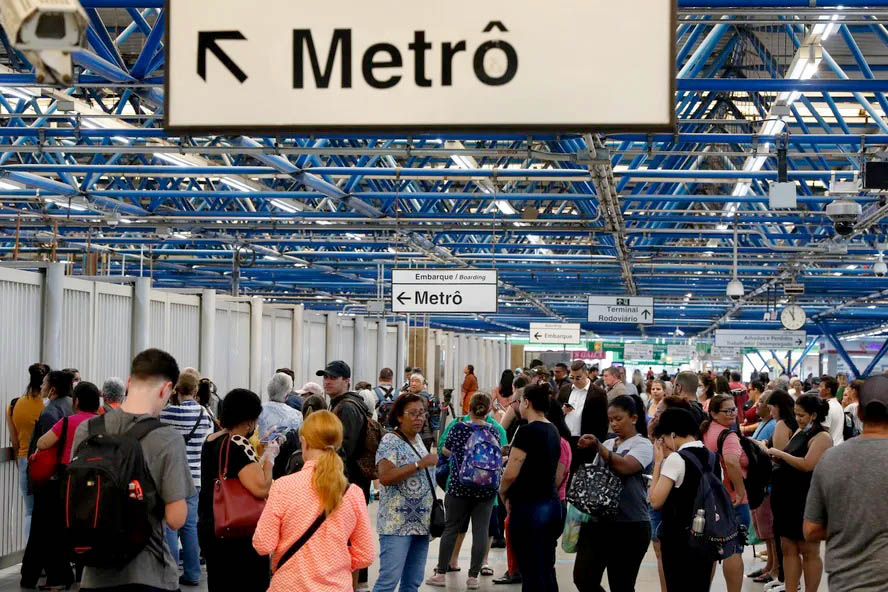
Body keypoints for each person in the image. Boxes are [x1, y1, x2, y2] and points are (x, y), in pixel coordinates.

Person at [68, 349, 193, 592]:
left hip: (94, 574)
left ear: (128, 383)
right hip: (149, 574)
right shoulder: (167, 438)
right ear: (165, 389)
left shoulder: (88, 429)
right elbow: (177, 519)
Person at [253, 410, 374, 592]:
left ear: (304, 441)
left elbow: (263, 544)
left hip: (289, 585)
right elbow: (365, 554)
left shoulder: (283, 487)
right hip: (336, 586)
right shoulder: (353, 493)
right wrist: (336, 563)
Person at [803, 375, 888, 592]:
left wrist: (851, 524)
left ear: (858, 412)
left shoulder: (830, 459)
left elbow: (810, 530)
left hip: (848, 581)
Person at [199, 387, 275, 592]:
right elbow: (261, 488)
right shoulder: (237, 444)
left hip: (212, 526)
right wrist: (269, 459)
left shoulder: (212, 441)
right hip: (238, 533)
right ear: (249, 420)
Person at [574, 395, 653, 592]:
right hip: (599, 523)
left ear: (633, 418)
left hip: (630, 524)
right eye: (610, 420)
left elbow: (626, 467)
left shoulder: (643, 445)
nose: (614, 424)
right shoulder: (608, 444)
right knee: (583, 577)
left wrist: (598, 447)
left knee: (622, 584)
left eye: (618, 419)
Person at [427, 393, 503, 589]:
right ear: (488, 410)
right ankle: (473, 577)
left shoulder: (459, 427)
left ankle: (441, 573)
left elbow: (445, 450)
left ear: (469, 407)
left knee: (451, 528)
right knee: (480, 530)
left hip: (459, 486)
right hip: (486, 488)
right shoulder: (494, 431)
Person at [765, 394, 832, 592]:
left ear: (813, 415)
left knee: (808, 549)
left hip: (806, 498)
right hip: (786, 497)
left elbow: (807, 464)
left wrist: (779, 453)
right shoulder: (799, 432)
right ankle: (790, 588)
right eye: (795, 414)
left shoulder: (822, 437)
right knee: (788, 547)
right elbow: (790, 458)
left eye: (801, 415)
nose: (798, 419)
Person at [499, 384, 562, 592]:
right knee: (545, 567)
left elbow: (511, 472)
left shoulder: (527, 431)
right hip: (551, 504)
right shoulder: (553, 429)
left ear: (527, 402)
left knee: (530, 568)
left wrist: (502, 492)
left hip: (528, 507)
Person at [649, 408, 721, 591]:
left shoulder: (676, 459)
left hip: (679, 540)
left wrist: (658, 463)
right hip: (706, 535)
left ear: (672, 433)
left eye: (663, 437)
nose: (663, 442)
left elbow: (655, 501)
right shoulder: (712, 456)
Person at [373, 394, 437, 592]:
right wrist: (418, 464)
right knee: (388, 581)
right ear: (400, 416)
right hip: (397, 525)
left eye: (422, 413)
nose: (419, 418)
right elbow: (385, 476)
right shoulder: (390, 441)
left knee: (413, 582)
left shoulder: (418, 439)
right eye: (413, 414)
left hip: (421, 522)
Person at [318, 360, 372, 590]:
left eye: (333, 377)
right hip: (352, 480)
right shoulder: (342, 404)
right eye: (325, 377)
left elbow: (343, 449)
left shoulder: (347, 408)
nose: (327, 381)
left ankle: (351, 583)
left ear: (346, 380)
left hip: (347, 480)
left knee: (348, 535)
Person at [159, 371, 215, 587]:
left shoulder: (167, 414)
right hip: (196, 478)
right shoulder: (205, 415)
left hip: (172, 476)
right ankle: (193, 573)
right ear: (195, 391)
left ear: (176, 390)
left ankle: (170, 573)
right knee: (190, 526)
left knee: (171, 526)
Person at [20, 369, 74, 590]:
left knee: (40, 528)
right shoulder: (70, 406)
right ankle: (55, 573)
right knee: (52, 529)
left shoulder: (51, 412)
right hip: (63, 477)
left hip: (48, 478)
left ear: (52, 389)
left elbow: (44, 447)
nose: (41, 386)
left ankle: (31, 575)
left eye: (44, 383)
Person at [700, 394, 748, 592]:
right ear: (713, 413)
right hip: (732, 500)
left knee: (710, 551)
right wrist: (740, 489)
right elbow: (730, 461)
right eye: (726, 411)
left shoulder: (705, 431)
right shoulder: (728, 436)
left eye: (734, 409)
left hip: (708, 498)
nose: (732, 414)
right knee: (734, 549)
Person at [8, 362, 47, 538]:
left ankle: (29, 555)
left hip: (24, 459)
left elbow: (14, 440)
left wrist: (19, 459)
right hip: (45, 460)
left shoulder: (14, 405)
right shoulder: (47, 406)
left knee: (30, 510)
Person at [747, 391, 778, 584]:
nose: (757, 405)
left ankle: (775, 567)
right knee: (764, 530)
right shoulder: (763, 423)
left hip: (767, 485)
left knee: (770, 529)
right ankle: (770, 565)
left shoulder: (774, 425)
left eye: (762, 402)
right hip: (758, 483)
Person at [407, 372, 439, 450]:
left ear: (423, 384)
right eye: (412, 381)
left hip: (420, 434)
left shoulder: (419, 398)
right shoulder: (428, 397)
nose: (413, 384)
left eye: (417, 381)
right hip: (427, 434)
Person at [818, 375, 845, 445]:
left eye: (821, 386)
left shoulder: (827, 407)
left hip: (830, 447)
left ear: (828, 390)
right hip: (839, 445)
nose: (818, 389)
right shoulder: (838, 404)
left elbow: (824, 431)